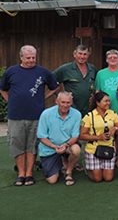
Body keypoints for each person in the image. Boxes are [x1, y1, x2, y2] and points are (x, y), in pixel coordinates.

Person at [0, 45, 59, 186]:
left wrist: (43, 97)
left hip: (36, 115)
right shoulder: (11, 71)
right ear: (21, 57)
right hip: (16, 115)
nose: (31, 60)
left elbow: (55, 86)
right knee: (17, 144)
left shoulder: (43, 72)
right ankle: (21, 173)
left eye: (33, 57)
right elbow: (2, 88)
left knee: (32, 145)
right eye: (28, 58)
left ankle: (29, 174)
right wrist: (10, 100)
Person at [37, 92, 81, 185]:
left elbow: (75, 136)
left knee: (76, 149)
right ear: (56, 102)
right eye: (63, 102)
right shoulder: (46, 114)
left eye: (68, 102)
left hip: (67, 146)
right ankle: (59, 162)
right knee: (52, 180)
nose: (65, 105)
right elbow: (41, 136)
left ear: (71, 103)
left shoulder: (77, 114)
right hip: (50, 148)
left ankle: (68, 171)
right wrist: (54, 147)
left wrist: (66, 145)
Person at [80, 91, 118, 182]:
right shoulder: (89, 116)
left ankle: (98, 168)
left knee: (108, 178)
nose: (108, 103)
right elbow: (82, 135)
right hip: (93, 149)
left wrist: (115, 129)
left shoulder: (113, 114)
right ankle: (88, 168)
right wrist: (98, 137)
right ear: (97, 103)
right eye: (105, 101)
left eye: (109, 101)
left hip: (109, 147)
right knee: (97, 179)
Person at [54, 44, 97, 116]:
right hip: (70, 108)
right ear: (74, 54)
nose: (82, 57)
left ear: (88, 55)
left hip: (88, 109)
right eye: (80, 54)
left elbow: (97, 84)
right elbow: (51, 81)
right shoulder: (65, 69)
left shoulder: (92, 69)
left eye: (85, 54)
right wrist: (61, 95)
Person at [95, 49, 118, 117]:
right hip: (105, 110)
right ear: (106, 60)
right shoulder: (100, 73)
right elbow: (97, 91)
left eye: (115, 57)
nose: (112, 59)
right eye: (110, 58)